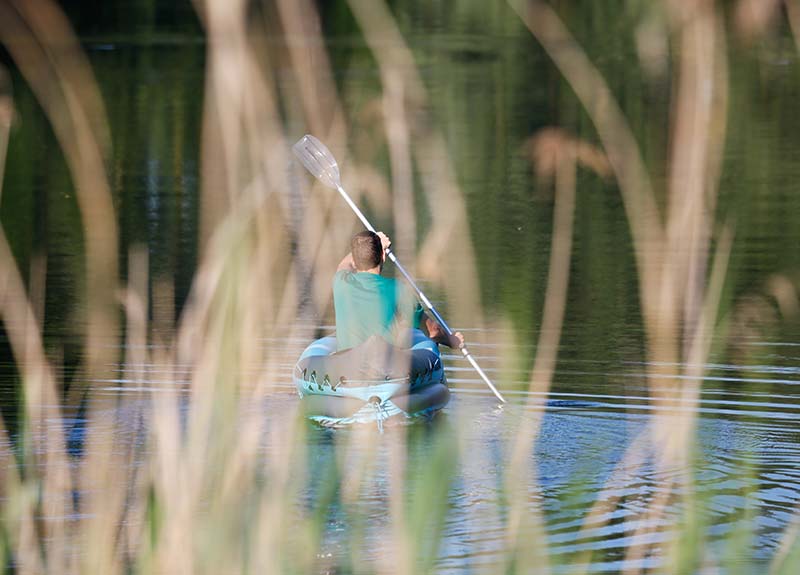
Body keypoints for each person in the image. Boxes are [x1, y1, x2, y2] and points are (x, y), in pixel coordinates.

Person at [333, 230, 464, 352]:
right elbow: (433, 331)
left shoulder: (341, 282)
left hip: (346, 368)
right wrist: (453, 340)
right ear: (383, 256)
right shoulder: (398, 289)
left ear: (355, 261)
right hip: (384, 370)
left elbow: (344, 265)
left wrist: (364, 247)